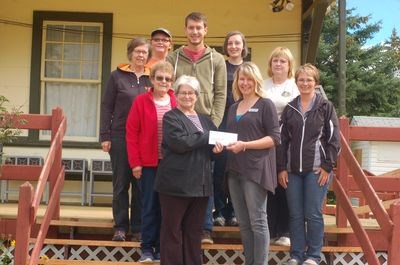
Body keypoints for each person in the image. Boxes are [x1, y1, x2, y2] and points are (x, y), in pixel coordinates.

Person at [167, 11, 227, 244]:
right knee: (182, 173)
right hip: (180, 121)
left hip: (206, 123)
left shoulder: (217, 59)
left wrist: (213, 125)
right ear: (185, 30)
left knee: (207, 175)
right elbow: (170, 90)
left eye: (198, 28)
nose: (194, 32)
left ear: (205, 30)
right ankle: (183, 226)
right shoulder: (174, 58)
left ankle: (205, 228)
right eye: (190, 28)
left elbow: (221, 94)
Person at [214, 62, 280, 265]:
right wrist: (220, 145)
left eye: (249, 79)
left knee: (258, 221)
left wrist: (245, 145)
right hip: (234, 170)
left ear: (256, 81)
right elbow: (232, 137)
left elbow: (274, 138)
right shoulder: (234, 107)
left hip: (256, 171)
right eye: (241, 79)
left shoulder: (265, 104)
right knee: (244, 223)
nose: (245, 83)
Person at [278, 64, 340, 265]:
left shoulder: (325, 107)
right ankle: (296, 254)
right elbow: (282, 141)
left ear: (316, 83)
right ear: (296, 82)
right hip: (293, 171)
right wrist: (281, 168)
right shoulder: (290, 108)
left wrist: (327, 166)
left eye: (309, 80)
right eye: (301, 80)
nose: (305, 83)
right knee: (295, 214)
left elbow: (334, 139)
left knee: (313, 213)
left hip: (316, 170)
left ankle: (313, 255)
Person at [155, 75, 217, 265]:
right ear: (176, 94)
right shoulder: (171, 117)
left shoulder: (206, 121)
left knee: (194, 232)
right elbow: (180, 143)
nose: (187, 96)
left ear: (197, 96)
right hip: (175, 185)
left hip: (201, 186)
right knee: (172, 231)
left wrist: (217, 148)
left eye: (191, 93)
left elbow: (212, 149)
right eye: (183, 92)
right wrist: (207, 139)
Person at [100, 37, 151, 242]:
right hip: (120, 136)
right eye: (137, 51)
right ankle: (120, 226)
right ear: (130, 53)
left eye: (144, 52)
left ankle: (138, 227)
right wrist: (105, 135)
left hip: (144, 139)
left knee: (140, 185)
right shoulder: (116, 77)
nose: (140, 55)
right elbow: (106, 106)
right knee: (121, 184)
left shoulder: (152, 78)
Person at [126, 61, 177, 262]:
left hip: (171, 165)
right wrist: (135, 163)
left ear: (172, 81)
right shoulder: (140, 101)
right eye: (159, 78)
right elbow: (131, 133)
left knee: (167, 208)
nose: (163, 81)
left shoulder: (177, 101)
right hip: (148, 164)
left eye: (167, 78)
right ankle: (147, 248)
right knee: (149, 207)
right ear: (152, 79)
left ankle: (161, 249)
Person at [212, 31, 249, 227]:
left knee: (237, 168)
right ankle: (219, 210)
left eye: (238, 43)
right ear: (226, 47)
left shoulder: (249, 69)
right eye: (230, 43)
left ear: (244, 46)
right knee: (219, 168)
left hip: (242, 121)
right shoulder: (220, 67)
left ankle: (235, 211)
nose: (234, 46)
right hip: (222, 121)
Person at [263, 47, 299, 246]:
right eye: (275, 60)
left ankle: (285, 231)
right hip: (265, 140)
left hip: (287, 141)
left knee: (285, 184)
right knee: (268, 186)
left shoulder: (294, 86)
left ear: (289, 65)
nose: (278, 64)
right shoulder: (263, 85)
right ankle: (270, 229)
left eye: (282, 61)